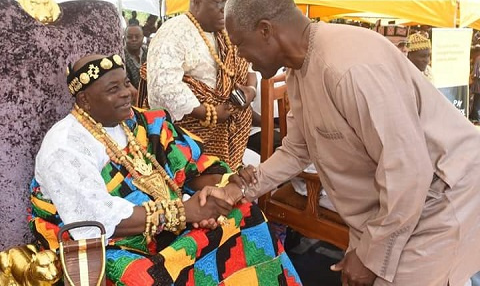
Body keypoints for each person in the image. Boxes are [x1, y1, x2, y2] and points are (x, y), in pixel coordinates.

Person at [202, 0, 480, 286]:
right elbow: (297, 149)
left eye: (240, 44)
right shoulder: (299, 69)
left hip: (438, 199)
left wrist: (371, 255)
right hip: (395, 205)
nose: (240, 56)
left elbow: (408, 170)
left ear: (265, 30)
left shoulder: (350, 69)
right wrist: (238, 189)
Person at [28, 53, 301, 285]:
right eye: (113, 90)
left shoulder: (143, 122)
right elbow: (94, 222)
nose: (128, 93)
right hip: (107, 243)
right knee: (145, 276)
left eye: (126, 83)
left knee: (245, 214)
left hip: (167, 218)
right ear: (85, 100)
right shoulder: (64, 146)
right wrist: (186, 212)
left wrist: (223, 188)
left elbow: (190, 169)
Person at [147, 0, 256, 169]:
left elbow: (248, 66)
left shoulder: (226, 31)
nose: (225, 9)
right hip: (189, 139)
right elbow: (163, 85)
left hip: (231, 132)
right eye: (219, 3)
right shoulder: (173, 31)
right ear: (196, 3)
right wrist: (209, 112)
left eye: (227, 3)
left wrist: (250, 91)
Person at [124, 25, 148, 89]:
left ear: (143, 38)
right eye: (129, 37)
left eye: (137, 37)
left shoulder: (149, 54)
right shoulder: (120, 58)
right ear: (124, 39)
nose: (134, 39)